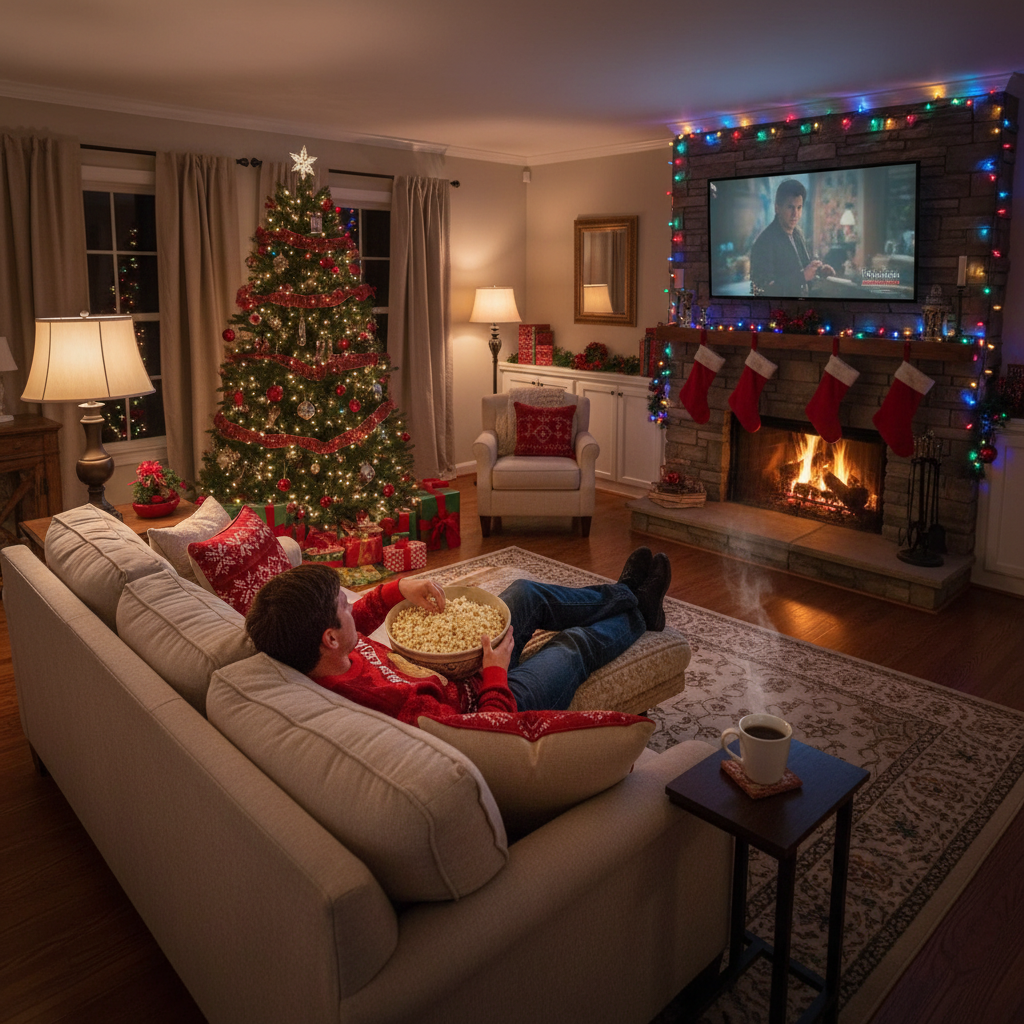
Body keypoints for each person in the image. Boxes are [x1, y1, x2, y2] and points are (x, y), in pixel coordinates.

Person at [245, 547, 672, 725]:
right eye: (341, 604)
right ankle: (641, 614)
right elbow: (483, 730)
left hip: (466, 668)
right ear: (330, 638)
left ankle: (627, 594)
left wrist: (398, 589)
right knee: (571, 646)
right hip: (487, 695)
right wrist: (496, 675)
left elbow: (360, 612)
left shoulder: (320, 651)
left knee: (525, 592)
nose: (350, 605)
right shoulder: (385, 703)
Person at [749, 179, 834, 297]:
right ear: (777, 208)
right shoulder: (763, 243)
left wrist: (819, 270)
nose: (795, 214)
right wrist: (802, 276)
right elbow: (762, 291)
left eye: (799, 208)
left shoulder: (798, 234)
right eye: (790, 207)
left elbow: (804, 264)